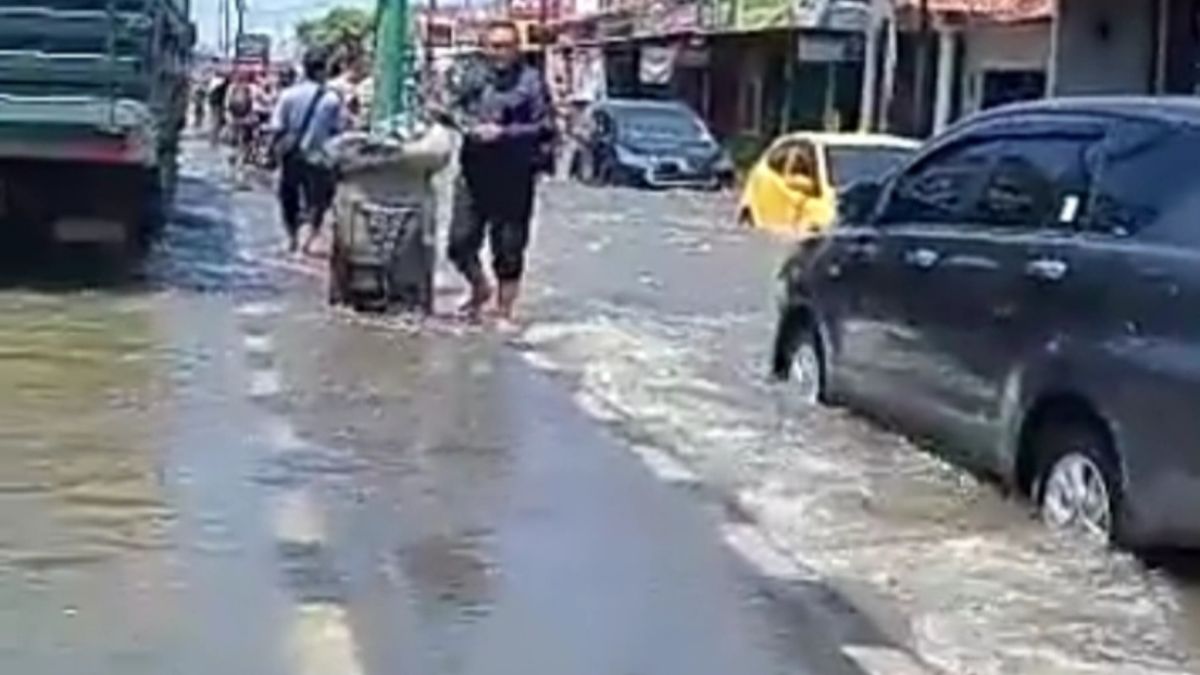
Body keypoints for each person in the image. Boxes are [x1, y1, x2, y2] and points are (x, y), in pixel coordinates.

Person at [447, 20, 553, 325]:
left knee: (508, 250)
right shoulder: (471, 77)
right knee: (459, 243)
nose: (500, 53)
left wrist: (504, 133)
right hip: (474, 173)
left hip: (514, 175)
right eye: (494, 46)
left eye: (507, 46)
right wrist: (466, 125)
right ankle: (479, 288)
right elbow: (449, 107)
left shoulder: (532, 82)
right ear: (485, 47)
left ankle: (504, 314)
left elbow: (545, 127)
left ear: (517, 48)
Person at [269, 49, 344, 255]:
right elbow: (338, 130)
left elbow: (277, 127)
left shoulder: (288, 95)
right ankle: (307, 240)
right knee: (317, 201)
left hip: (292, 155)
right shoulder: (332, 99)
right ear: (323, 71)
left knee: (289, 197)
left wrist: (274, 154)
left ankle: (292, 238)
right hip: (320, 158)